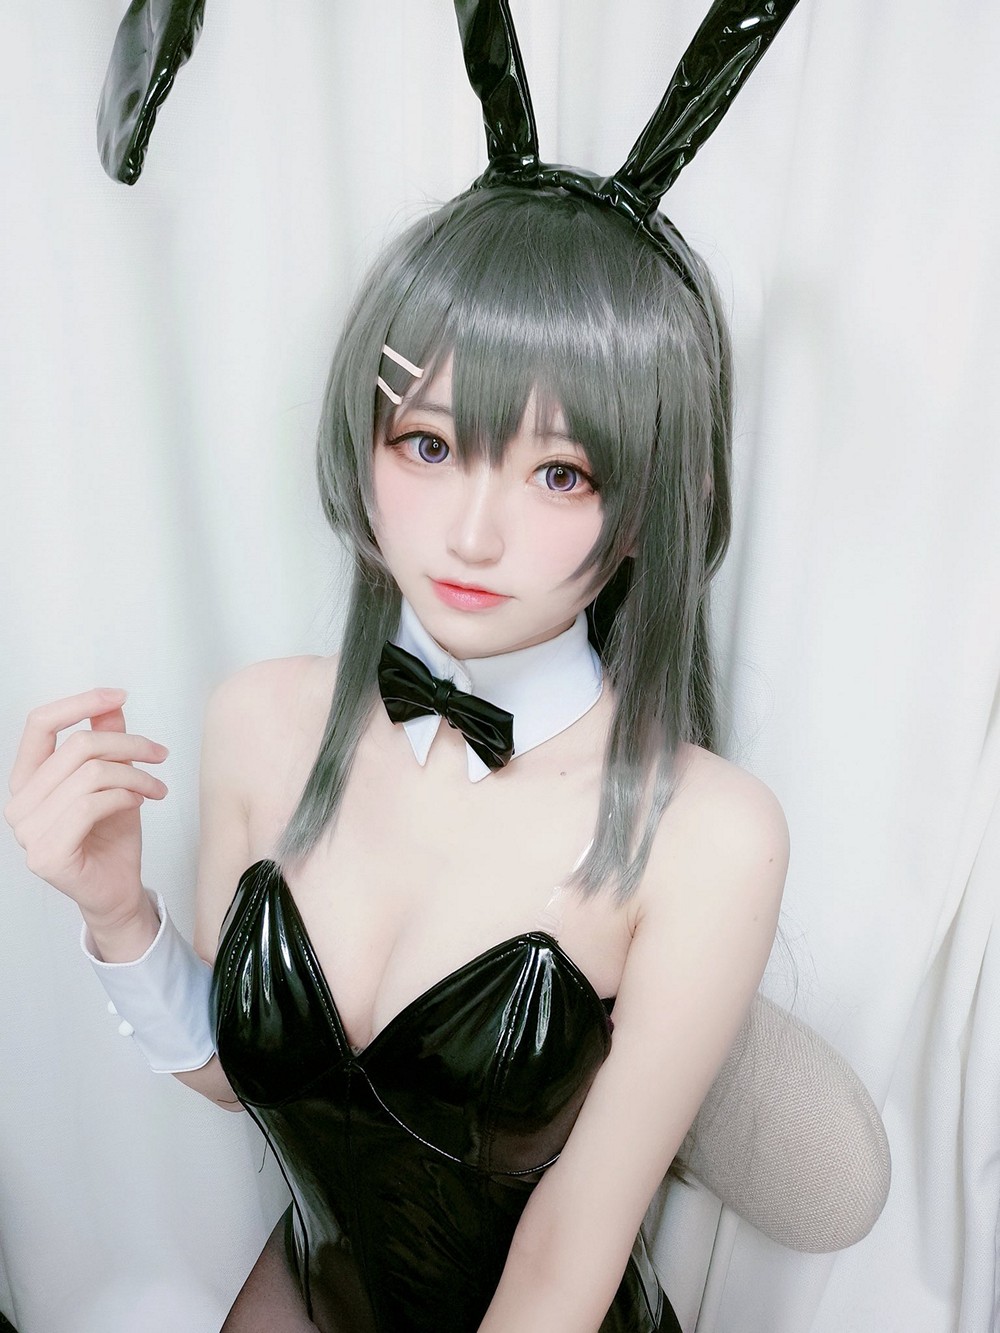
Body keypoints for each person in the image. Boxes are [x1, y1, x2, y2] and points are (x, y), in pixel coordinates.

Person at [6, 5, 797, 1330]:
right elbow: (252, 1080)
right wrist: (115, 914)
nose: (472, 534)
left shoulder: (708, 832)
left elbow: (565, 1260)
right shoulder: (262, 720)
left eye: (559, 471)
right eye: (428, 444)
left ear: (646, 505)